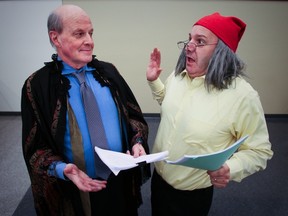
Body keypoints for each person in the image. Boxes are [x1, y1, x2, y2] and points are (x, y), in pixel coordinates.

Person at [21, 4, 150, 216]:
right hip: (73, 189)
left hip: (119, 180)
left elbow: (134, 118)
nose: (89, 41)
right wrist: (64, 170)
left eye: (90, 33)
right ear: (55, 38)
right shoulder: (37, 86)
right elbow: (34, 148)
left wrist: (137, 142)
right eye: (79, 34)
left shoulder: (108, 73)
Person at [146, 12, 273, 216]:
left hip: (191, 196)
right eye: (189, 38)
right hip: (159, 179)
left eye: (200, 41)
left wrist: (231, 168)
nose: (189, 46)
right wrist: (154, 82)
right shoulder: (179, 76)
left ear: (221, 52)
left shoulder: (243, 96)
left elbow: (260, 151)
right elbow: (169, 105)